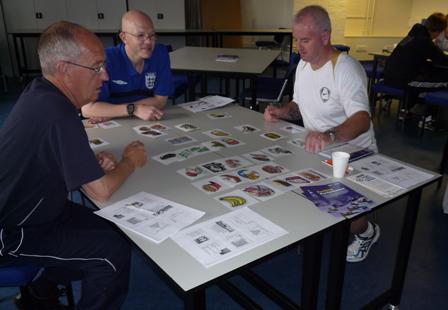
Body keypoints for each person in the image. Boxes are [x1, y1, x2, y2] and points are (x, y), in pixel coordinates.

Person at [0, 21, 147, 309]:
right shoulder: (57, 114)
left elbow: (47, 153)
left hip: (38, 210)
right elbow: (101, 192)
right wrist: (130, 162)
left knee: (116, 228)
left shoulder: (41, 92)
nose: (104, 76)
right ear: (65, 69)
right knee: (110, 254)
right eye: (96, 67)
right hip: (12, 230)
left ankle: (40, 292)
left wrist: (86, 163)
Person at [264, 5, 379, 263]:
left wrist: (328, 135)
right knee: (283, 183)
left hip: (353, 153)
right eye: (296, 40)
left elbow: (362, 119)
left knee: (345, 215)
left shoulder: (345, 68)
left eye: (305, 40)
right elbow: (299, 106)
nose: (298, 47)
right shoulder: (304, 67)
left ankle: (367, 232)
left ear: (325, 37)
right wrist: (283, 112)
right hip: (318, 148)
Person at [81, 10, 173, 123]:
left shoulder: (160, 53)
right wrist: (133, 110)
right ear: (124, 37)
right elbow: (87, 109)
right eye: (140, 35)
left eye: (152, 35)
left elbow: (160, 101)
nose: (149, 41)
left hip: (145, 120)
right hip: (115, 125)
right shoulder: (105, 60)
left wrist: (113, 111)